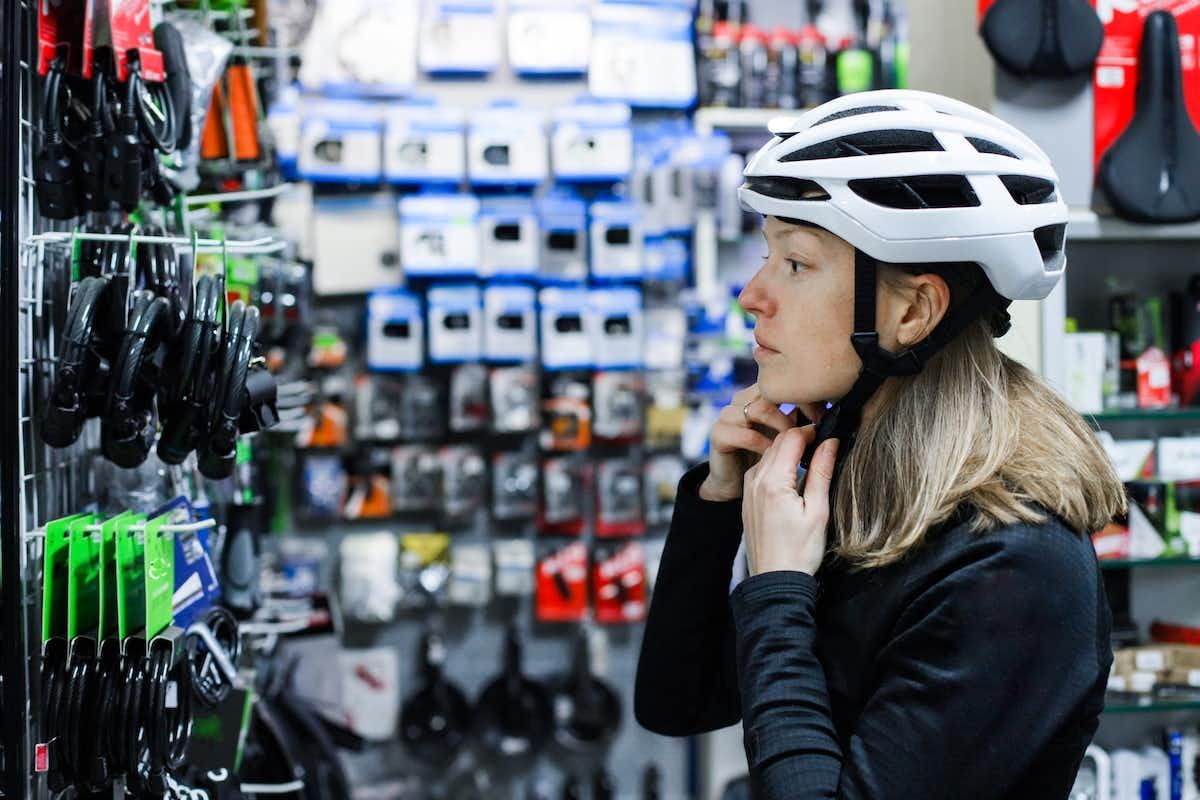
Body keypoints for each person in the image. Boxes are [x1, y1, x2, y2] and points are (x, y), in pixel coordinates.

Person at [634, 90, 1126, 799]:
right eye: (767, 255)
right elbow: (678, 702)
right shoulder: (857, 465)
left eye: (796, 264)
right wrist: (719, 502)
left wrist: (779, 589)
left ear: (912, 311)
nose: (751, 294)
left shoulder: (1013, 567)